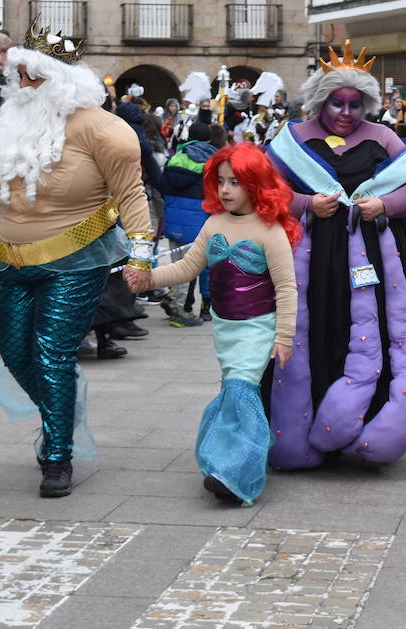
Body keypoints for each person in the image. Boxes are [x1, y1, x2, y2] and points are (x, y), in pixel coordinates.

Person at [0, 28, 154, 499]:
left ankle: (57, 455)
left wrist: (141, 258)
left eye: (33, 76)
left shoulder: (106, 130)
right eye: (17, 74)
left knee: (52, 353)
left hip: (76, 257)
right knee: (16, 353)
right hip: (8, 257)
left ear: (60, 78)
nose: (21, 84)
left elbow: (130, 195)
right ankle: (58, 414)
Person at [263, 41, 406, 469]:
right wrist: (306, 205)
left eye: (354, 104)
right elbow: (266, 192)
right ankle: (305, 427)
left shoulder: (384, 137)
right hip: (311, 260)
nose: (345, 112)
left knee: (373, 334)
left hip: (377, 260)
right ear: (320, 100)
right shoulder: (292, 140)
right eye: (337, 102)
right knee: (317, 327)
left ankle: (369, 423)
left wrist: (383, 205)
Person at [127, 145, 297, 505]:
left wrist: (284, 337)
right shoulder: (214, 223)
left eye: (235, 182)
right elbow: (186, 268)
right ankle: (238, 457)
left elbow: (286, 288)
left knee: (240, 390)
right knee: (235, 392)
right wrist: (148, 279)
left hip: (257, 329)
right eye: (220, 181)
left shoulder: (270, 230)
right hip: (225, 328)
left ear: (255, 183)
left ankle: (232, 472)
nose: (225, 190)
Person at [158, 121, 218, 327]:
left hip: (174, 219)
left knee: (176, 264)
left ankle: (174, 300)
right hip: (197, 221)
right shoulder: (210, 161)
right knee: (189, 268)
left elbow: (163, 185)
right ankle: (180, 310)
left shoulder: (175, 158)